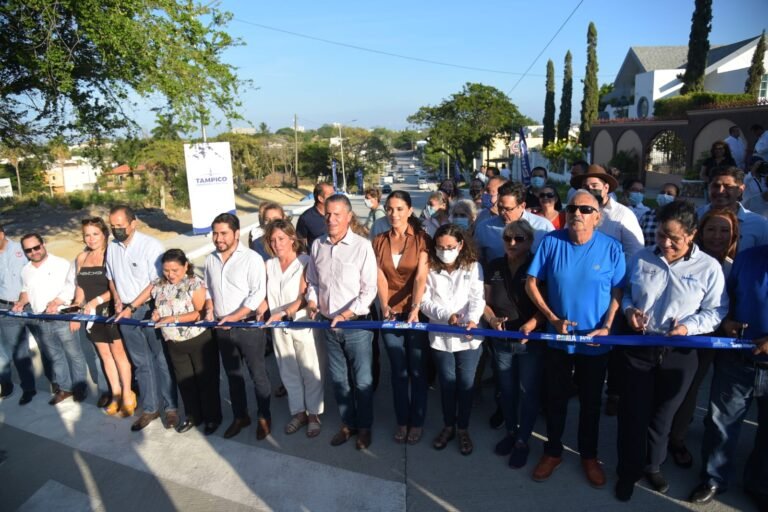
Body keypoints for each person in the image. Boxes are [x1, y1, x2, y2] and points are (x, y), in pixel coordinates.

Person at [614, 201, 728, 501]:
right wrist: (629, 312)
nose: (666, 243)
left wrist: (688, 327)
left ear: (691, 235)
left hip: (680, 352)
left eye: (675, 238)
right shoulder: (641, 258)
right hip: (641, 347)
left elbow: (716, 311)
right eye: (662, 235)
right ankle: (628, 470)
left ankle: (653, 465)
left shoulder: (709, 268)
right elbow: (626, 293)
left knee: (663, 418)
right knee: (633, 413)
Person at [526, 191, 625, 488]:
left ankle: (588, 456)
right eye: (572, 208)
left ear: (598, 216)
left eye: (585, 209)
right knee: (554, 398)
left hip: (594, 342)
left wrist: (607, 325)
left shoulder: (612, 248)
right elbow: (532, 283)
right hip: (558, 339)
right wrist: (551, 317)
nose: (577, 213)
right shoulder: (551, 241)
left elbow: (619, 292)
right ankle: (553, 452)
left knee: (591, 403)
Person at [689, 244, 768, 510]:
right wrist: (727, 322)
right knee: (721, 423)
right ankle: (714, 478)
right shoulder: (747, 258)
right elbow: (725, 302)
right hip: (738, 360)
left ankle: (759, 483)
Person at [118, 249, 221, 434]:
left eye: (175, 270)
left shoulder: (194, 283)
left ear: (185, 266)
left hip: (197, 339)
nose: (170, 275)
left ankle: (213, 418)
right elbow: (152, 301)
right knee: (185, 382)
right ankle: (193, 416)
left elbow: (200, 313)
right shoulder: (159, 284)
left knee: (205, 381)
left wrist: (172, 319)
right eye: (166, 270)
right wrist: (153, 313)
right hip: (174, 343)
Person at [667, 208, 739, 469]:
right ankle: (676, 438)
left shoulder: (735, 266)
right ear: (699, 232)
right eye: (711, 229)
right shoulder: (686, 260)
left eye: (724, 231)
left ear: (733, 235)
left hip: (731, 337)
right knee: (687, 390)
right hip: (697, 336)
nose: (717, 236)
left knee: (725, 396)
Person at [305, 194, 378, 449]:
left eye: (337, 214)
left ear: (348, 217)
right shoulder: (317, 245)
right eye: (327, 214)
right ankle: (349, 424)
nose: (331, 219)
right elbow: (313, 282)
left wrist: (345, 315)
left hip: (355, 325)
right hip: (328, 325)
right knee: (339, 380)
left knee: (362, 380)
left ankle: (365, 428)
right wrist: (312, 302)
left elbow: (369, 290)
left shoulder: (362, 246)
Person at [107, 205, 178, 431]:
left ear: (133, 223)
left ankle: (171, 409)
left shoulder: (150, 246)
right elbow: (111, 277)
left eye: (120, 226)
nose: (116, 230)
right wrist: (118, 300)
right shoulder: (112, 248)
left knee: (161, 360)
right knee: (141, 362)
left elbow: (155, 282)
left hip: (149, 309)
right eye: (113, 226)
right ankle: (150, 408)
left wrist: (131, 306)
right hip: (126, 313)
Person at [204, 213, 272, 440]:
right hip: (223, 327)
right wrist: (210, 307)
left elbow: (257, 294)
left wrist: (235, 316)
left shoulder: (251, 258)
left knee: (258, 375)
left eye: (223, 233)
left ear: (236, 233)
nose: (218, 238)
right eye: (215, 233)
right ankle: (240, 416)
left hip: (248, 327)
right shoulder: (210, 259)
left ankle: (264, 417)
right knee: (233, 376)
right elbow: (208, 289)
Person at [484, 220, 544, 468]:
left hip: (530, 341)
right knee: (506, 390)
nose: (511, 243)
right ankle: (510, 431)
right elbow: (483, 302)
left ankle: (523, 439)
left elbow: (547, 306)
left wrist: (532, 323)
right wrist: (491, 319)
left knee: (527, 391)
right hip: (502, 341)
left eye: (519, 239)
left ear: (530, 242)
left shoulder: (538, 267)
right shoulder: (495, 266)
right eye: (508, 238)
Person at [421, 224, 485, 456]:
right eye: (440, 247)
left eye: (450, 247)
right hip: (440, 335)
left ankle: (463, 429)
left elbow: (477, 298)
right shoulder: (429, 268)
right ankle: (448, 426)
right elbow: (425, 302)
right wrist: (446, 316)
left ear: (460, 245)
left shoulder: (473, 267)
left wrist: (473, 319)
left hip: (468, 337)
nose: (445, 251)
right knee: (447, 385)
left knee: (465, 385)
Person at [373, 190, 431, 445]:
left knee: (417, 370)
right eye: (389, 208)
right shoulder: (379, 241)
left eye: (399, 209)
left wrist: (416, 308)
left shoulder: (421, 239)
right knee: (398, 370)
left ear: (409, 211)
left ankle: (417, 421)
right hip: (390, 314)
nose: (393, 214)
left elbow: (421, 276)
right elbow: (380, 277)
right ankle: (402, 420)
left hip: (415, 313)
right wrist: (384, 305)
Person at [263, 219, 325, 438]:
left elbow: (303, 296)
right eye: (272, 240)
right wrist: (258, 311)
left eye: (281, 238)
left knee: (310, 369)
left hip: (302, 323)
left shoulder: (305, 261)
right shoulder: (269, 265)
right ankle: (298, 412)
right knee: (287, 370)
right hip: (278, 326)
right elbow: (265, 298)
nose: (277, 244)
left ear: (292, 238)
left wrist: (283, 312)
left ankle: (314, 414)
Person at [13, 233, 88, 405]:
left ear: (44, 244)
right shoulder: (25, 270)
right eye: (28, 250)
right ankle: (65, 388)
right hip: (41, 320)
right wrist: (21, 302)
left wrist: (69, 311)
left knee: (74, 354)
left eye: (36, 247)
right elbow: (26, 291)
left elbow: (73, 288)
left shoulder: (61, 264)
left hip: (62, 317)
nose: (34, 252)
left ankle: (79, 387)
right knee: (55, 356)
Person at [70, 217, 134, 416]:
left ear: (105, 233)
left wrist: (96, 301)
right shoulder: (81, 258)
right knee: (105, 356)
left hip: (112, 311)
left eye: (95, 234)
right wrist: (75, 307)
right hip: (92, 315)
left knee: (119, 355)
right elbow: (80, 288)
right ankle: (114, 394)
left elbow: (118, 286)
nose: (91, 239)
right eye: (87, 235)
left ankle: (127, 394)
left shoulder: (112, 254)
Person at [473, 182, 554, 269]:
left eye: (508, 209)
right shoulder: (484, 228)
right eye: (500, 207)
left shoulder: (543, 227)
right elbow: (475, 259)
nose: (502, 213)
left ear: (522, 206)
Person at [572, 164, 644, 260]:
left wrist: (618, 272)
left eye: (594, 185)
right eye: (585, 186)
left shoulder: (624, 215)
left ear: (606, 188)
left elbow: (635, 251)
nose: (589, 189)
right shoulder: (575, 212)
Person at [0, 224, 37, 405]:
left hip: (28, 305)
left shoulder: (20, 249)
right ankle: (22, 387)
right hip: (5, 307)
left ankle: (58, 383)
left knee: (46, 346)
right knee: (15, 350)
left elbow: (34, 273)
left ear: (1, 234)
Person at [696, 166, 768, 251]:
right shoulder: (695, 217)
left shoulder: (759, 224)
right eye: (716, 186)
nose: (720, 191)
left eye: (728, 187)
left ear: (740, 190)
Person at [296, 181, 334, 250]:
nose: (334, 198)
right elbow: (300, 243)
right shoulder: (306, 218)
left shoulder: (339, 214)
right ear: (320, 198)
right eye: (331, 195)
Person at [639, 183, 680, 247]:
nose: (664, 195)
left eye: (669, 194)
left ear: (676, 198)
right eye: (662, 192)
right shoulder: (647, 215)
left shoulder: (679, 218)